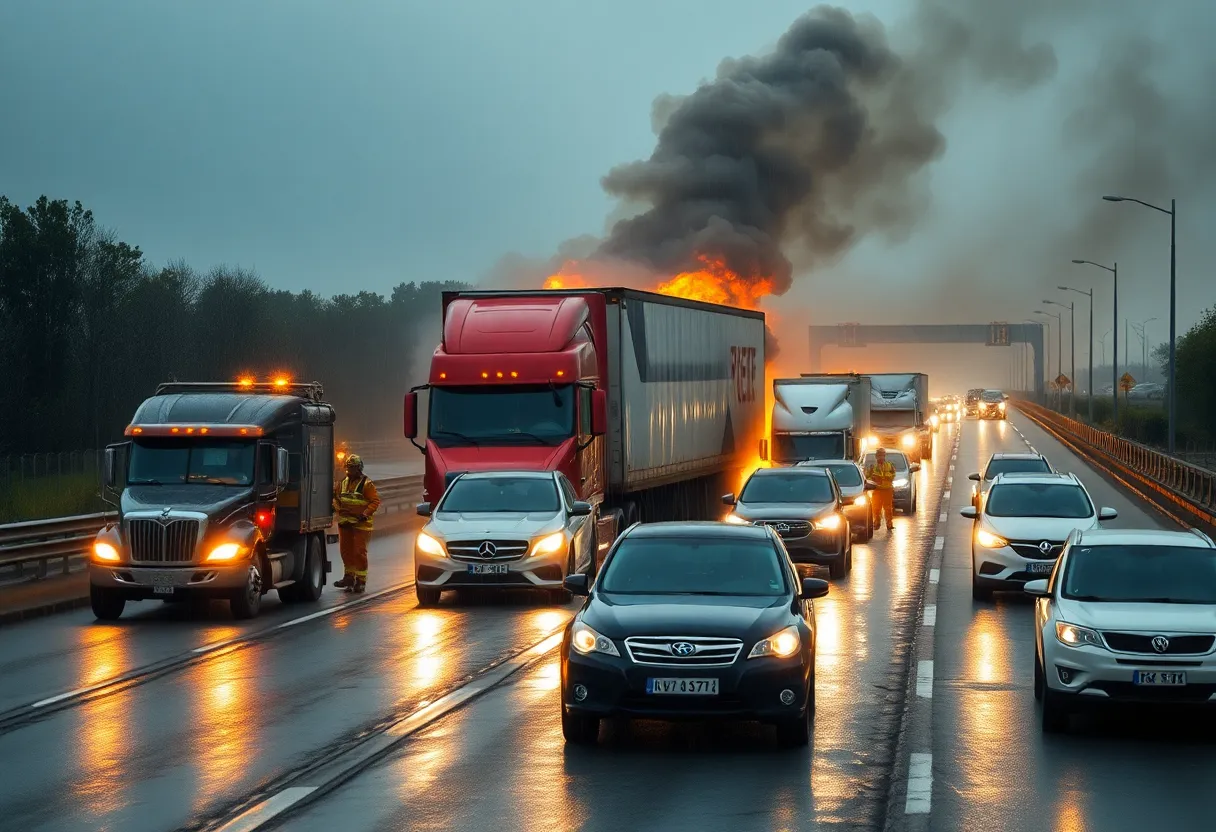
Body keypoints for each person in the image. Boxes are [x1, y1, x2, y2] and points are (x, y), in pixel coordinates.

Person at [332, 454, 381, 593]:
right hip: (345, 523)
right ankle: (349, 577)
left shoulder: (367, 484)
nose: (349, 471)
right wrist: (337, 509)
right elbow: (335, 498)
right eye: (348, 468)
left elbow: (375, 502)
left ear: (359, 469)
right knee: (346, 552)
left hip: (361, 524)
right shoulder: (342, 483)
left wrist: (365, 514)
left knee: (359, 552)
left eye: (352, 468)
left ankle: (360, 581)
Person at [865, 448, 897, 532]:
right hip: (877, 490)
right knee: (876, 508)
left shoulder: (889, 465)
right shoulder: (873, 467)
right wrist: (873, 478)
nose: (881, 457)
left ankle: (889, 525)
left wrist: (883, 477)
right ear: (876, 457)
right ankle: (877, 523)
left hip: (887, 490)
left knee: (888, 508)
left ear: (884, 456)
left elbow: (893, 475)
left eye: (882, 455)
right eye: (879, 456)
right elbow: (867, 477)